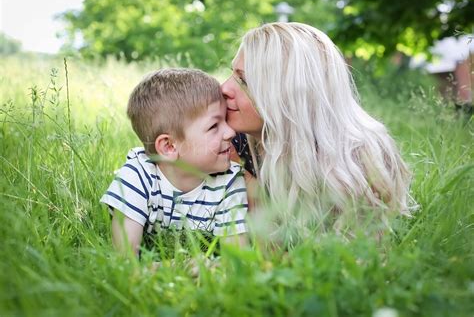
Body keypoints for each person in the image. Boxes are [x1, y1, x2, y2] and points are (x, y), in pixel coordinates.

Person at [222, 22, 412, 236]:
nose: (224, 88)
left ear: (290, 94)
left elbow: (359, 255)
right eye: (233, 75)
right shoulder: (229, 144)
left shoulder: (360, 161)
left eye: (244, 80)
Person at [101, 68, 248, 256]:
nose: (231, 133)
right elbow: (125, 261)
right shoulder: (137, 176)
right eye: (214, 126)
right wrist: (173, 269)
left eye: (225, 121)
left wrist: (209, 268)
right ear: (169, 146)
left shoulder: (230, 182)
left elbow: (236, 259)